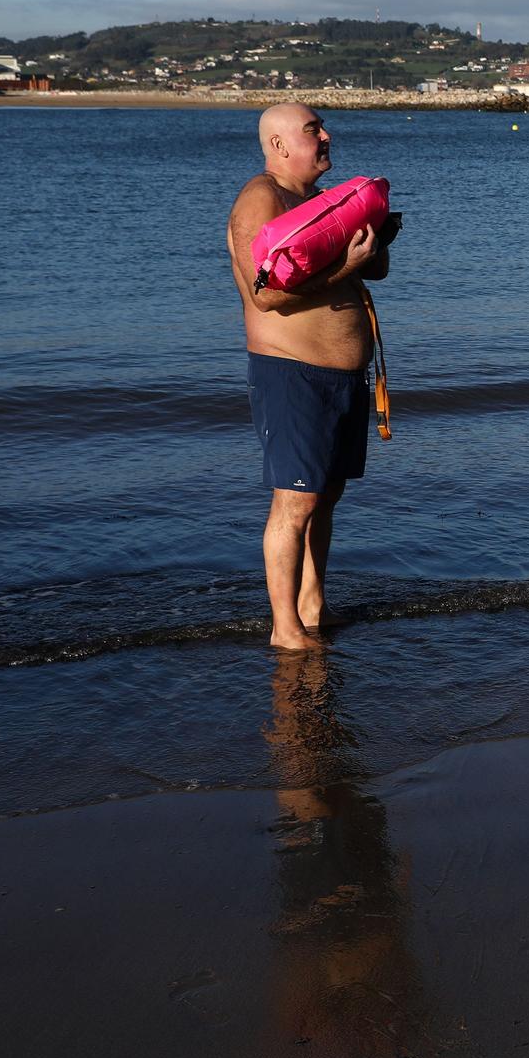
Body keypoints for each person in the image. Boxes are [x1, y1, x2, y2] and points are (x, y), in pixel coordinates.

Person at [225, 104, 398, 651]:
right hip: (291, 373)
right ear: (278, 144)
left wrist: (375, 245)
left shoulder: (317, 204)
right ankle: (285, 628)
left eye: (322, 127)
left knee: (324, 497)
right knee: (295, 500)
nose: (326, 136)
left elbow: (374, 270)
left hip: (342, 377)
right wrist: (347, 266)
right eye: (312, 129)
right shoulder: (262, 197)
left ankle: (311, 606)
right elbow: (266, 294)